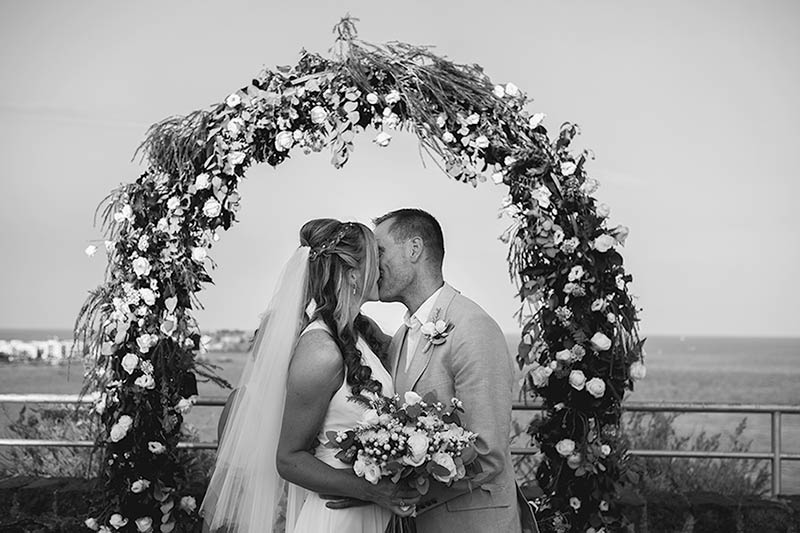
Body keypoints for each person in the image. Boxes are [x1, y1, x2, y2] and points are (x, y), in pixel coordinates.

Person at [201, 219, 418, 533]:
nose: (382, 266)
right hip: (337, 519)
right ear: (353, 274)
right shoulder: (321, 349)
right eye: (376, 257)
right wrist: (372, 490)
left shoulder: (359, 335)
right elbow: (289, 459)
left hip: (370, 514)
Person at [369, 208, 537, 532]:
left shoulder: (473, 328)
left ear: (414, 249)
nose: (373, 266)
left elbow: (487, 455)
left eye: (380, 252)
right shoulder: (403, 336)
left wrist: (400, 496)